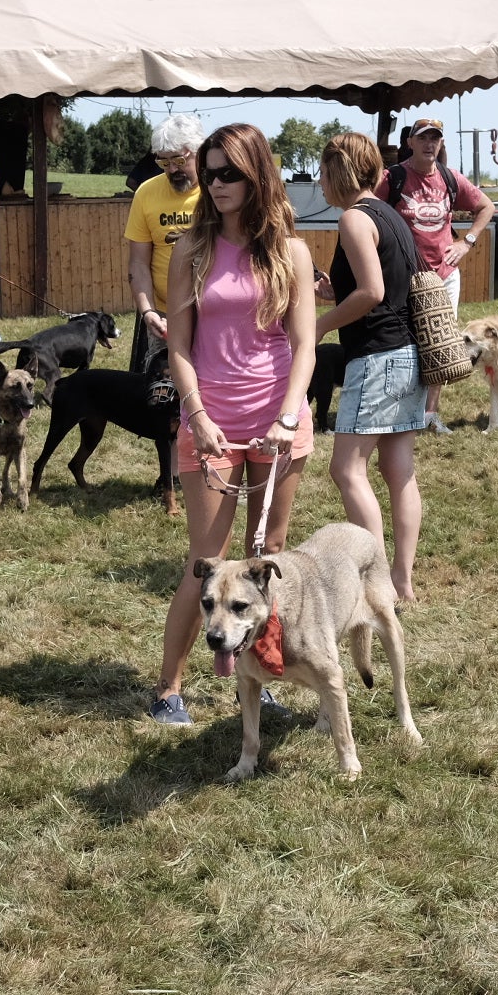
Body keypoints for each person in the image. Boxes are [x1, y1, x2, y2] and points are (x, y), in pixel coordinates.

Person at [153, 123, 317, 725]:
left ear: (258, 177)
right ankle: (170, 686)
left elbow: (304, 346)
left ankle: (261, 672)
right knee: (206, 557)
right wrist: (196, 415)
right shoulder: (190, 251)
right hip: (211, 422)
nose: (215, 184)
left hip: (277, 423)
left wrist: (287, 414)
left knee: (267, 553)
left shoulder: (291, 253)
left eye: (230, 174)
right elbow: (179, 347)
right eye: (209, 172)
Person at [315, 132, 424, 603]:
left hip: (377, 358)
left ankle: (376, 582)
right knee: (399, 473)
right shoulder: (391, 216)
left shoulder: (353, 219)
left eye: (322, 172)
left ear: (337, 172)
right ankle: (402, 579)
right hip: (408, 356)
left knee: (347, 470)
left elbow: (373, 293)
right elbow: (383, 286)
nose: (320, 182)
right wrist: (332, 292)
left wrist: (321, 325)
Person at [376, 118, 494, 434]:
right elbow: (369, 211)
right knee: (404, 342)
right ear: (410, 143)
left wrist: (466, 242)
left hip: (444, 274)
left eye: (435, 139)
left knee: (439, 344)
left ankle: (429, 415)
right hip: (404, 275)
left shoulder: (450, 178)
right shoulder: (393, 178)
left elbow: (486, 207)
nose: (430, 144)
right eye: (423, 138)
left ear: (441, 144)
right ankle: (400, 410)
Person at [125, 113, 203, 378]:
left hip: (211, 311)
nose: (172, 169)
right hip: (163, 313)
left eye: (179, 160)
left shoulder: (217, 191)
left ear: (199, 153)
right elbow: (138, 262)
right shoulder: (146, 193)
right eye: (164, 161)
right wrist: (147, 311)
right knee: (162, 391)